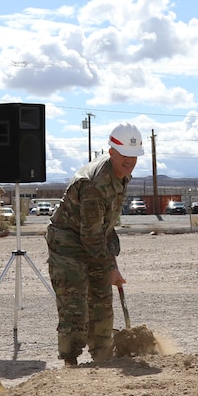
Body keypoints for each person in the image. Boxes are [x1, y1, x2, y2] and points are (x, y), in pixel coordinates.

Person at [46, 122, 143, 366]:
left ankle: (102, 357)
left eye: (134, 156)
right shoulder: (94, 183)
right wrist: (110, 266)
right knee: (75, 302)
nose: (130, 161)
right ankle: (70, 362)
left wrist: (111, 263)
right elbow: (90, 235)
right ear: (111, 152)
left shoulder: (121, 174)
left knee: (101, 297)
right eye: (125, 156)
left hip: (93, 238)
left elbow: (103, 226)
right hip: (67, 242)